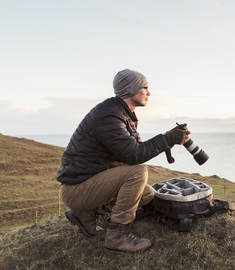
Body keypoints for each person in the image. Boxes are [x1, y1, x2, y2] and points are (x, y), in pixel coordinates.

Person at [56, 69, 190, 253]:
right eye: (145, 88)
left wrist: (167, 139)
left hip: (87, 182)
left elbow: (130, 153)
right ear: (133, 89)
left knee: (146, 193)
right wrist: (167, 139)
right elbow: (134, 155)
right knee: (138, 172)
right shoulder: (109, 116)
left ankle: (85, 213)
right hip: (76, 189)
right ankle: (117, 236)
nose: (149, 93)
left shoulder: (121, 114)